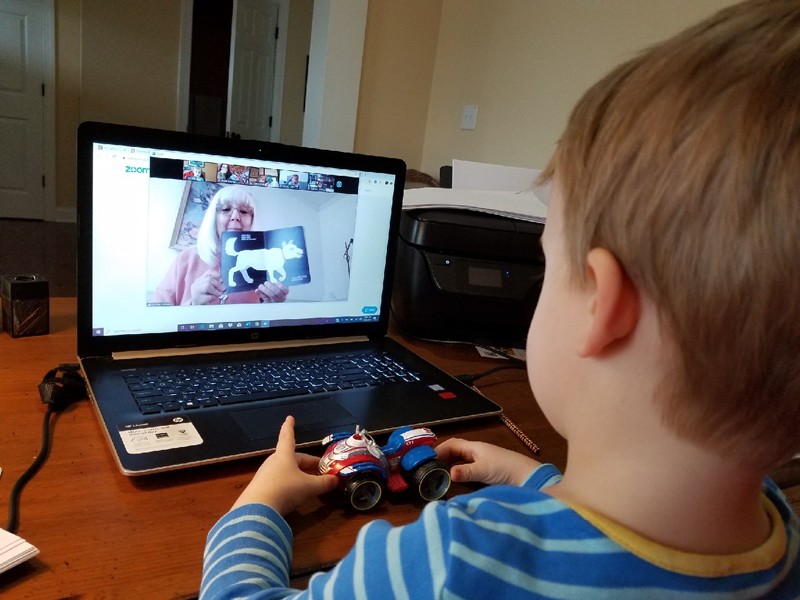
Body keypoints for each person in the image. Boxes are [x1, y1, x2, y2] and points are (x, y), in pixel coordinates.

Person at [200, 1, 800, 597]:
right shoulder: (776, 528)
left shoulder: (449, 565)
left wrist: (259, 505)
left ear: (603, 308)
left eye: (546, 261)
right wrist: (536, 479)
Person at [152, 185, 289, 306]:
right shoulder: (187, 258)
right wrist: (192, 305)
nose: (235, 216)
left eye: (244, 211)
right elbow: (157, 317)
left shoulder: (262, 264)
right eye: (225, 209)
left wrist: (272, 306)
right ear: (214, 217)